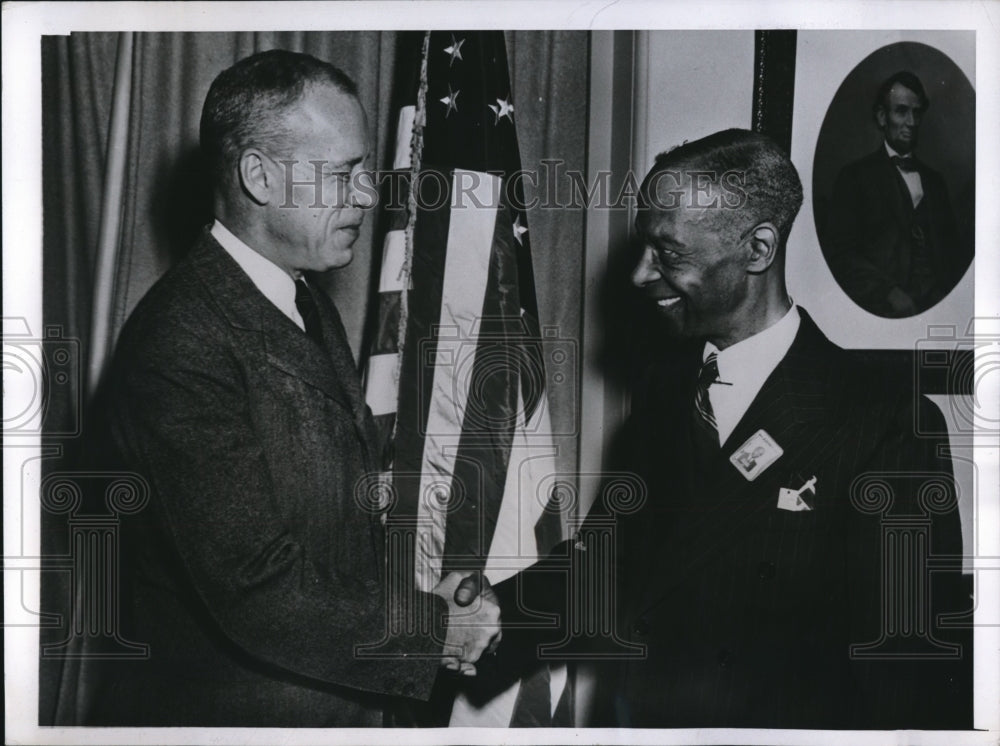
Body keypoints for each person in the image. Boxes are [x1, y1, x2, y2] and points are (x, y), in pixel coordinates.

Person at [472, 129, 972, 729]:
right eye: (643, 248)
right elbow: (612, 563)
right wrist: (494, 610)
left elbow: (906, 671)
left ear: (757, 250)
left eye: (669, 254)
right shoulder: (665, 396)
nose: (638, 275)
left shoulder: (885, 419)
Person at [85, 49, 499, 727]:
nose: (368, 195)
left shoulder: (303, 299)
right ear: (258, 176)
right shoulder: (180, 340)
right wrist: (434, 632)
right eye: (343, 174)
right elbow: (257, 589)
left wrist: (422, 601)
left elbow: (335, 524)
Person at [823, 70, 971, 318]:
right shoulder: (854, 177)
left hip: (937, 309)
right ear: (882, 116)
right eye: (901, 111)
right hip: (881, 309)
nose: (912, 122)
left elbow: (953, 256)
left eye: (917, 112)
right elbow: (841, 255)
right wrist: (888, 293)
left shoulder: (936, 183)